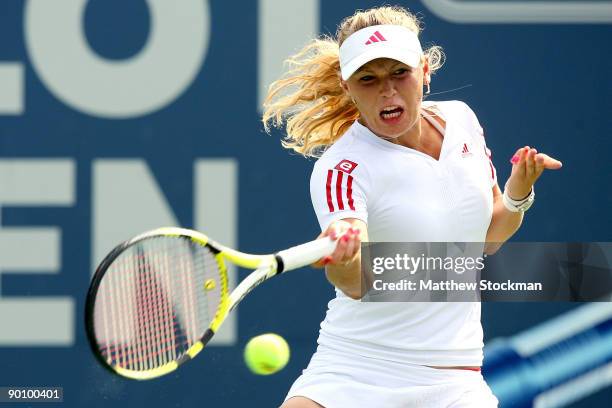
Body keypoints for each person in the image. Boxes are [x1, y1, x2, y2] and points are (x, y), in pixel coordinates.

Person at [263, 6, 562, 408]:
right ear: (347, 85)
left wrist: (517, 194)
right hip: (355, 370)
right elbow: (355, 283)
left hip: (454, 381)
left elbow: (488, 237)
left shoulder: (462, 121)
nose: (386, 91)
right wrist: (345, 257)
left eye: (398, 73)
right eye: (368, 79)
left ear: (424, 70)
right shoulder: (342, 169)